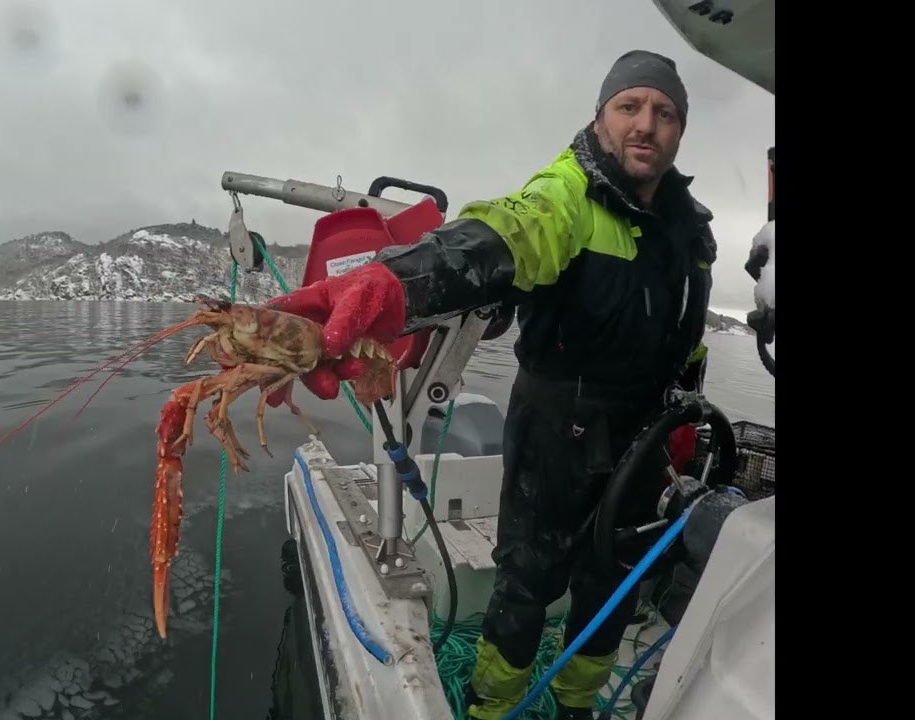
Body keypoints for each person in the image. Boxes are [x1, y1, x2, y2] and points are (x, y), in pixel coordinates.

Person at [266, 50, 715, 720]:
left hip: (645, 438)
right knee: (526, 586)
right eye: (630, 106)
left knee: (614, 588)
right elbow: (499, 236)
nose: (646, 124)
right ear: (601, 119)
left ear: (680, 130)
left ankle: (575, 706)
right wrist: (396, 283)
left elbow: (689, 332)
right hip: (556, 432)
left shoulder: (693, 236)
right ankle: (491, 710)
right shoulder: (566, 196)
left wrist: (687, 407)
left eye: (665, 112)